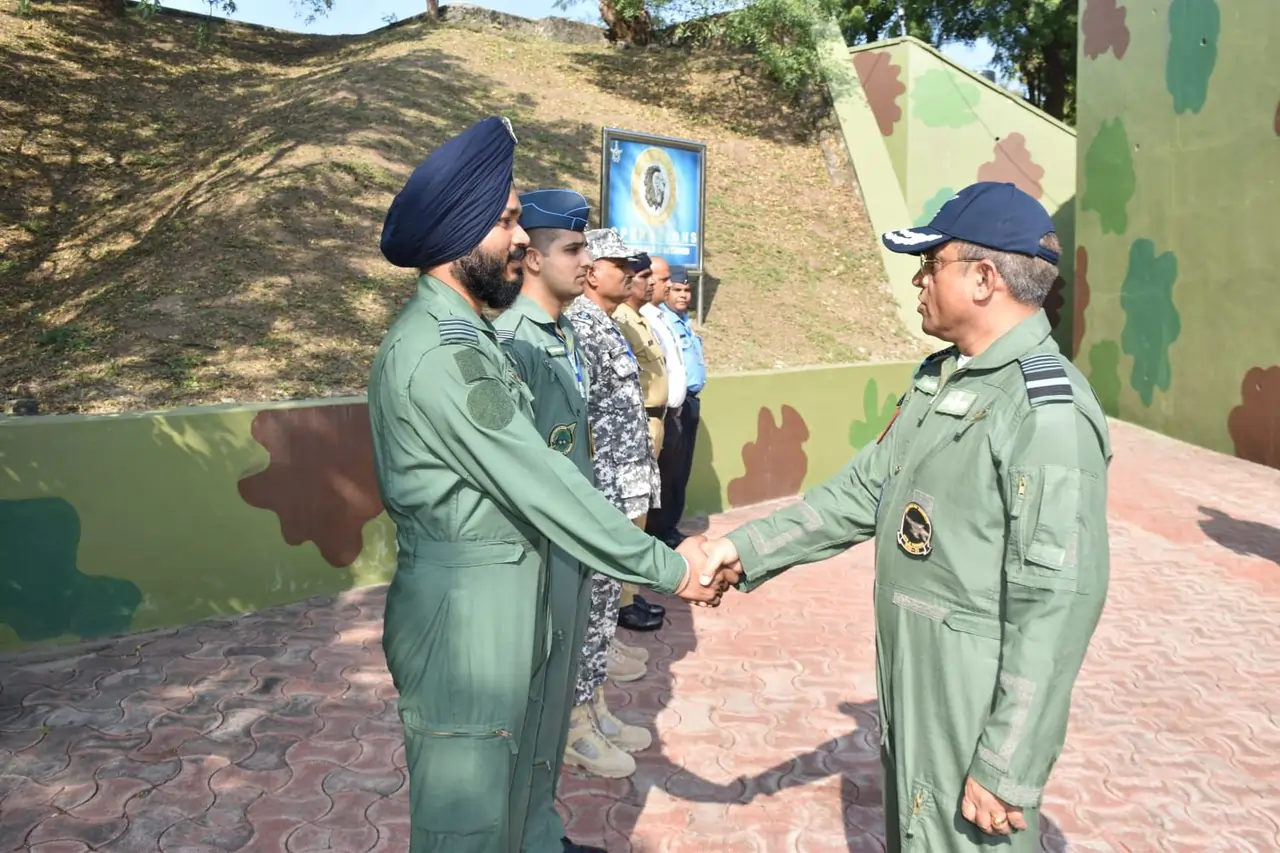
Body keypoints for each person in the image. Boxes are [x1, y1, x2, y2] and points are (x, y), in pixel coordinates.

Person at [699, 182, 1112, 853]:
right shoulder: (944, 376)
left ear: (984, 278)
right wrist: (747, 547)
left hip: (975, 696)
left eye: (931, 263)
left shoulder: (1046, 411)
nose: (918, 280)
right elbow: (866, 489)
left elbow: (1058, 604)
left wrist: (1008, 762)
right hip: (918, 672)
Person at [368, 117, 738, 853]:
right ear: (458, 232)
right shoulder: (445, 356)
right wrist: (671, 567)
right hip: (467, 624)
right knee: (468, 821)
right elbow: (544, 482)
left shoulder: (471, 336)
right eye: (505, 221)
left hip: (512, 596)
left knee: (528, 777)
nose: (517, 240)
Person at [563, 228, 665, 778]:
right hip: (597, 498)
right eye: (617, 262)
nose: (629, 271)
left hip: (620, 494)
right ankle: (575, 727)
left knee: (604, 613)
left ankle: (593, 707)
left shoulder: (606, 323)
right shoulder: (578, 325)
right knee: (589, 613)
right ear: (593, 270)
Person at [650, 264, 706, 547]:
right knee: (667, 471)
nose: (683, 295)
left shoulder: (683, 320)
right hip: (671, 407)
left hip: (690, 402)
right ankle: (660, 530)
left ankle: (670, 526)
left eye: (687, 290)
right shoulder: (662, 320)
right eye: (677, 290)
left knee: (681, 470)